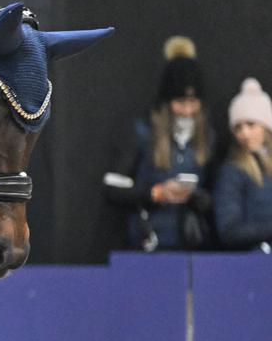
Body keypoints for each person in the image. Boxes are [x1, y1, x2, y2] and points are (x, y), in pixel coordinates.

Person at [103, 36, 215, 251]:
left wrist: (199, 199)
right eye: (180, 102)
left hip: (191, 245)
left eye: (193, 103)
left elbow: (217, 192)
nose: (187, 111)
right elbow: (112, 188)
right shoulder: (143, 132)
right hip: (148, 245)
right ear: (167, 102)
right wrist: (155, 193)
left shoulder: (207, 137)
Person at [212, 78, 272, 250]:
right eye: (238, 128)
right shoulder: (232, 172)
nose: (244, 133)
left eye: (251, 125)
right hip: (252, 263)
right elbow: (229, 230)